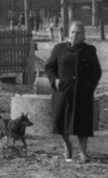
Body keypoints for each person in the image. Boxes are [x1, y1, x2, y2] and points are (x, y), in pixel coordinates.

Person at [43, 21, 102, 162]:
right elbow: (49, 67)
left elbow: (96, 72)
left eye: (78, 33)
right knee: (61, 120)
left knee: (83, 123)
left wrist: (89, 87)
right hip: (63, 91)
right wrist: (55, 80)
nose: (75, 35)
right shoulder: (59, 48)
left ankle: (83, 152)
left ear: (83, 36)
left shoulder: (89, 50)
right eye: (73, 32)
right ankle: (66, 144)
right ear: (69, 33)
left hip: (82, 93)